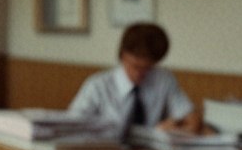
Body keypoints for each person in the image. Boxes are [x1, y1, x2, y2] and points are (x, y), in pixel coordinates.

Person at [68, 22, 201, 133]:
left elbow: (193, 120)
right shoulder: (97, 86)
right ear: (123, 55)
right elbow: (70, 127)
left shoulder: (164, 80)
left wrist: (171, 129)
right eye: (135, 67)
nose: (140, 74)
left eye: (147, 68)